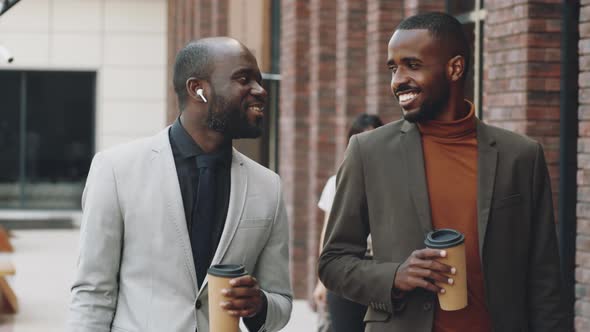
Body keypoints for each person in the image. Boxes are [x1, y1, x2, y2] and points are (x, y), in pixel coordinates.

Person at [319, 12, 571, 332]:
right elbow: (333, 262)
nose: (398, 81)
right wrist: (394, 276)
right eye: (393, 68)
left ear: (454, 68)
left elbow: (545, 278)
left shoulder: (521, 156)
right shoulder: (368, 152)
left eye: (412, 65)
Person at [67, 37, 292, 332]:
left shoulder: (268, 187)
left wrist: (259, 305)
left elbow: (282, 302)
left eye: (259, 80)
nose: (260, 90)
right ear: (198, 89)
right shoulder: (116, 170)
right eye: (243, 79)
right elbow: (92, 293)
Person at [313, 113, 383, 332]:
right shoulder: (336, 182)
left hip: (382, 271)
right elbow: (328, 235)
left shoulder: (391, 183)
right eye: (360, 140)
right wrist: (321, 281)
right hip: (346, 268)